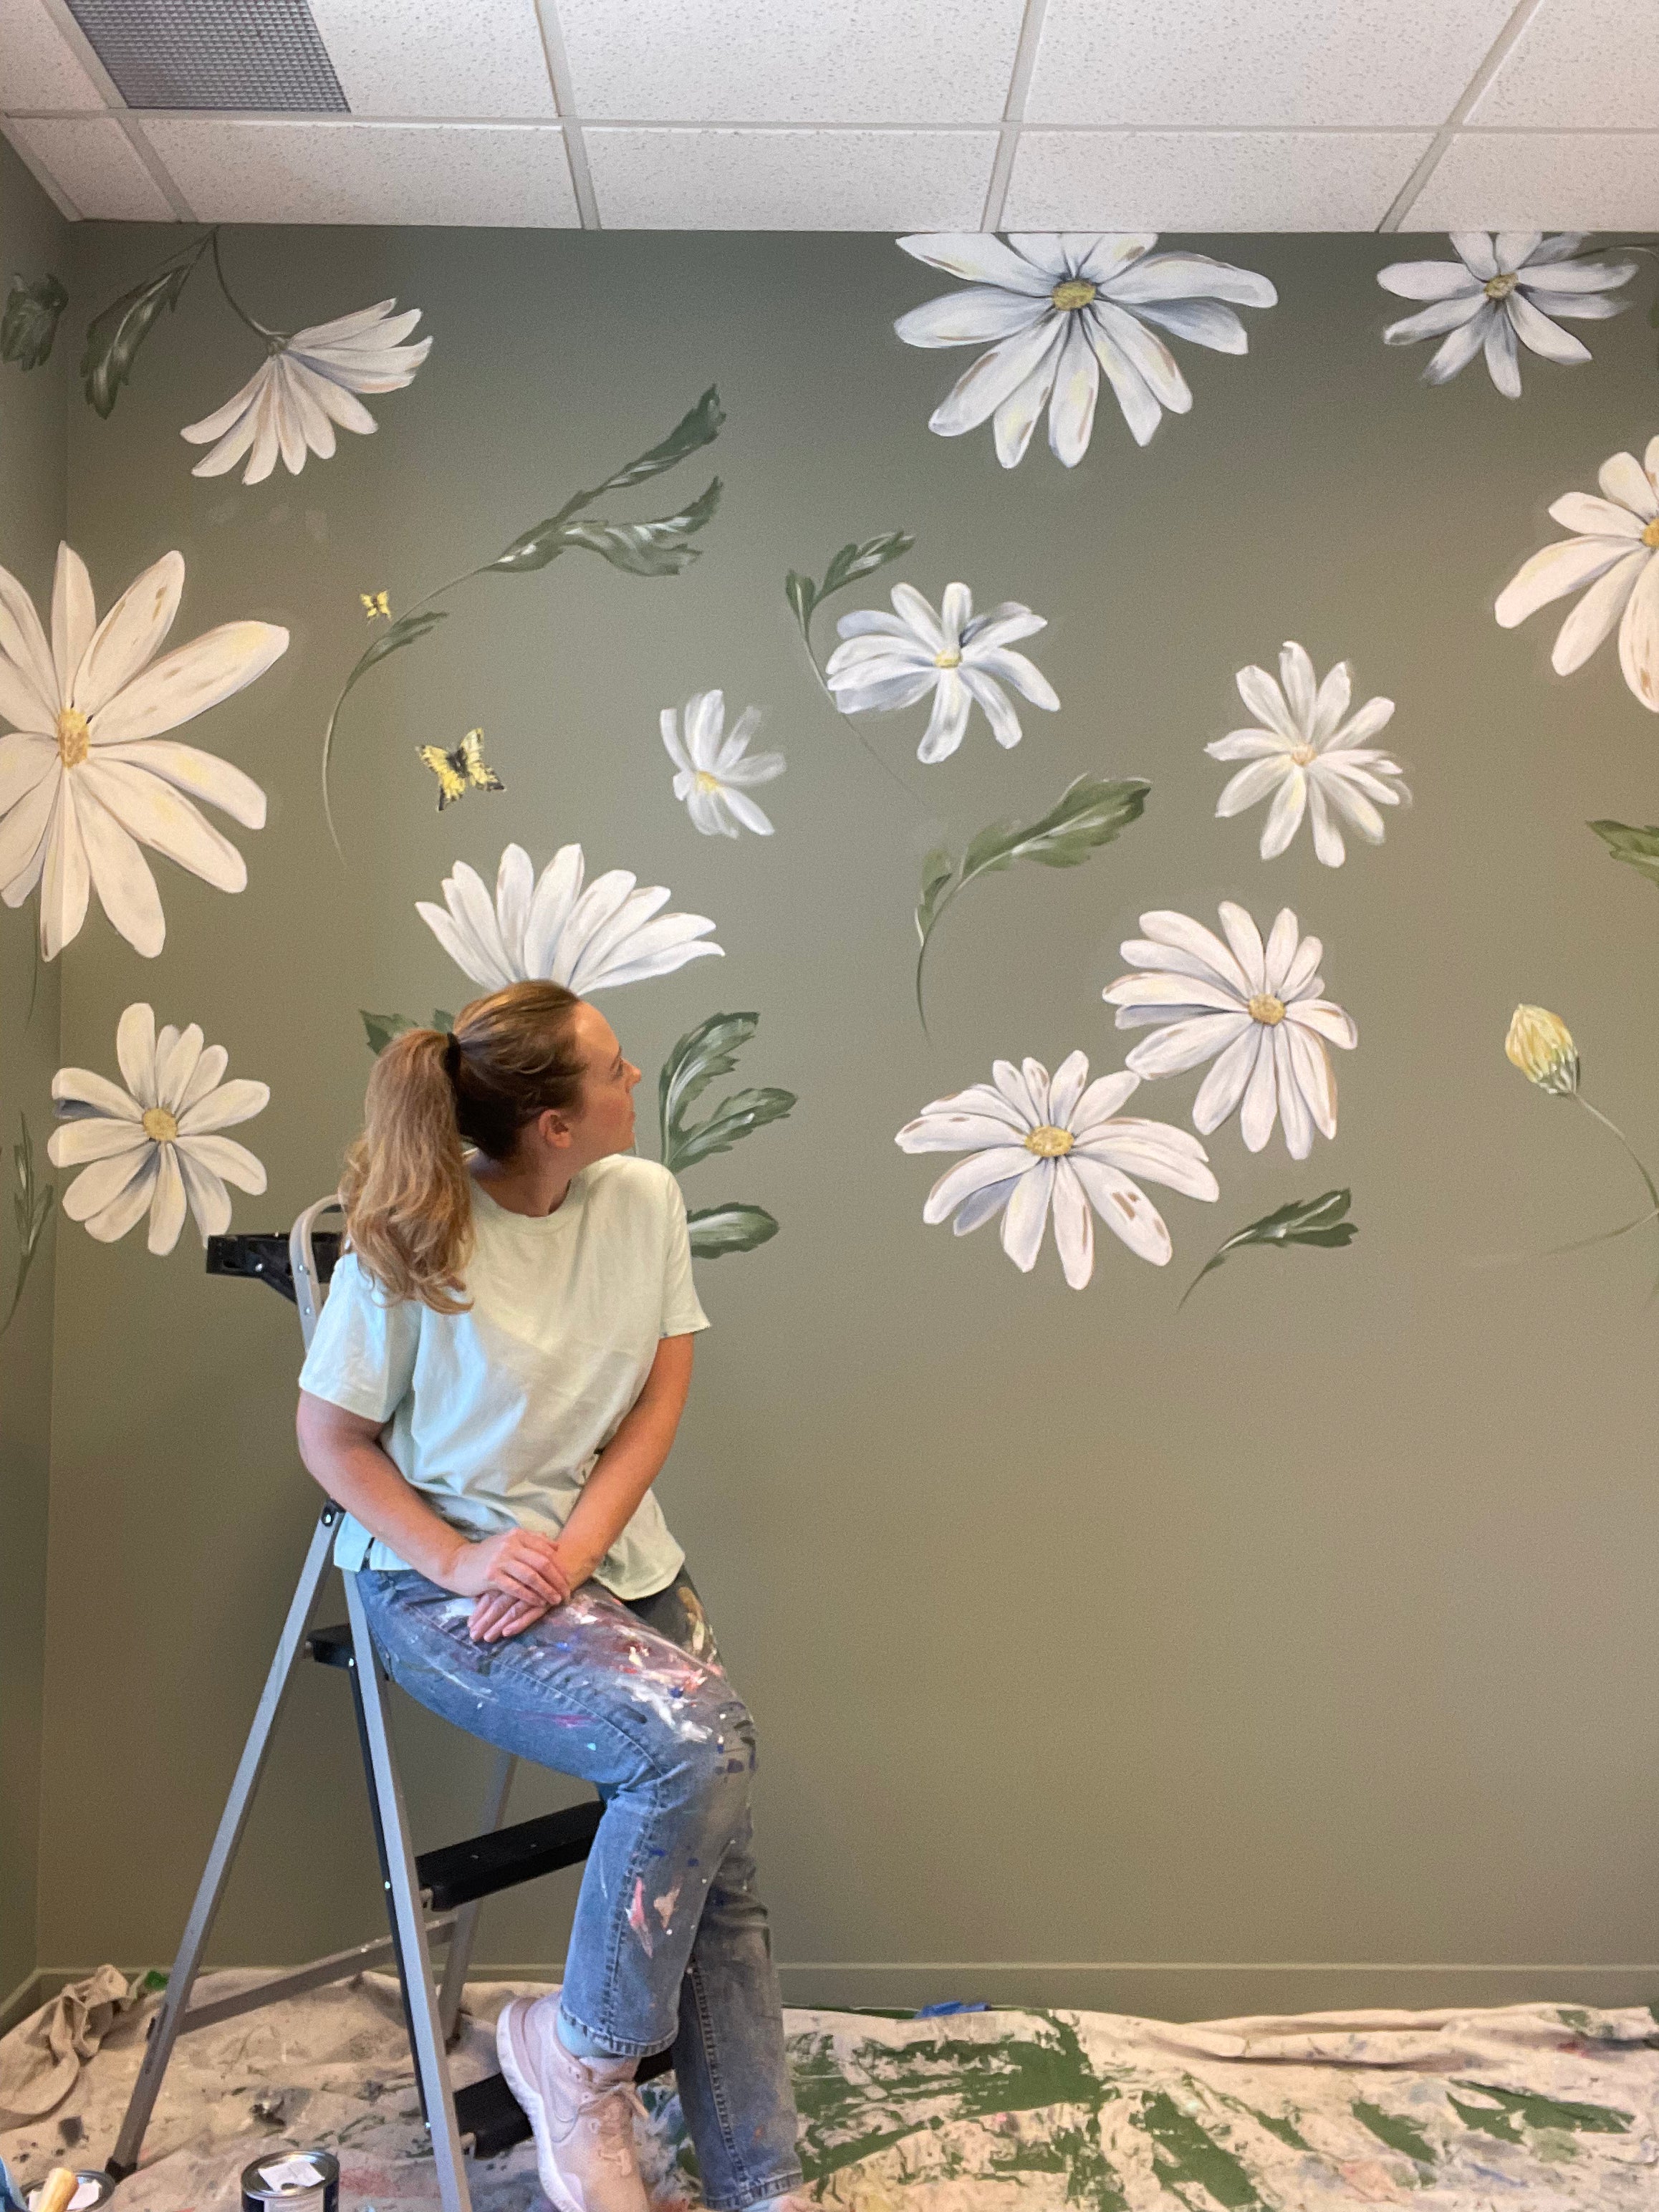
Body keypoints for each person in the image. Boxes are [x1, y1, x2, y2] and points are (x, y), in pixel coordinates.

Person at [294, 979, 803, 2212]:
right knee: (697, 1749)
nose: (638, 1081)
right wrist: (465, 1559)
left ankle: (754, 2179)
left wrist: (575, 1552)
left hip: (607, 1560)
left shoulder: (644, 1201)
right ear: (554, 1125)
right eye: (616, 1070)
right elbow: (332, 1440)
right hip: (441, 1592)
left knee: (716, 1843)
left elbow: (654, 1406)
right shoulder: (415, 1235)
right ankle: (583, 2077)